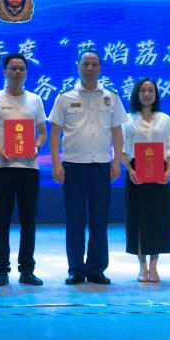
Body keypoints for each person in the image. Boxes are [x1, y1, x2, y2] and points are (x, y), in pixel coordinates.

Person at [49, 50, 127, 285]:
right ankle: (76, 269)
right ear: (78, 66)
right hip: (73, 166)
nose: (90, 68)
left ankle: (96, 269)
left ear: (100, 68)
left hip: (101, 166)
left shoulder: (111, 97)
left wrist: (116, 161)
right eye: (86, 64)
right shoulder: (65, 97)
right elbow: (55, 132)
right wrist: (56, 163)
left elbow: (117, 130)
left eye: (94, 64)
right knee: (75, 219)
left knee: (99, 219)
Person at [0, 53, 47, 286]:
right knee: (2, 221)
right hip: (3, 168)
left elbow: (42, 133)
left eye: (21, 68)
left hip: (29, 169)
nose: (17, 72)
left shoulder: (35, 100)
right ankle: (1, 271)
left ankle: (27, 270)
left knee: (29, 221)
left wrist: (36, 147)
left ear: (26, 73)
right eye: (13, 68)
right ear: (5, 72)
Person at [121, 78, 170, 283]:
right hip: (136, 173)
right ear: (136, 93)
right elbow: (122, 149)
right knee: (138, 219)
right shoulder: (127, 119)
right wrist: (130, 170)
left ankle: (154, 265)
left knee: (157, 219)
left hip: (159, 173)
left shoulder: (165, 119)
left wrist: (169, 170)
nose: (147, 94)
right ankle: (142, 266)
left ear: (156, 94)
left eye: (151, 90)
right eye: (143, 90)